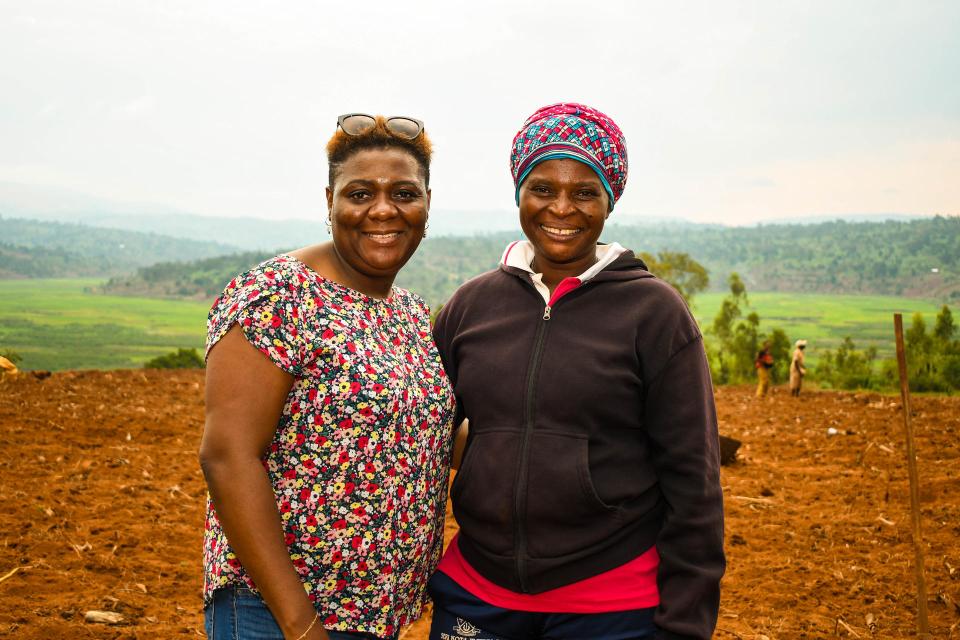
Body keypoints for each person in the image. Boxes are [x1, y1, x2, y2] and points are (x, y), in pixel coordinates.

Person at [428, 103, 725, 640]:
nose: (561, 208)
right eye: (542, 188)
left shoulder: (654, 314)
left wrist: (685, 621)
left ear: (609, 202)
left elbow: (693, 481)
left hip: (610, 603)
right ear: (519, 191)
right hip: (477, 595)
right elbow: (422, 435)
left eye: (585, 192)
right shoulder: (470, 307)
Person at [199, 114, 455, 640]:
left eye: (404, 193)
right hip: (278, 613)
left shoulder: (407, 311)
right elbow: (227, 456)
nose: (383, 209)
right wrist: (301, 624)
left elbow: (429, 435)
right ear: (329, 201)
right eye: (360, 193)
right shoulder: (278, 294)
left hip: (375, 616)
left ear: (428, 202)